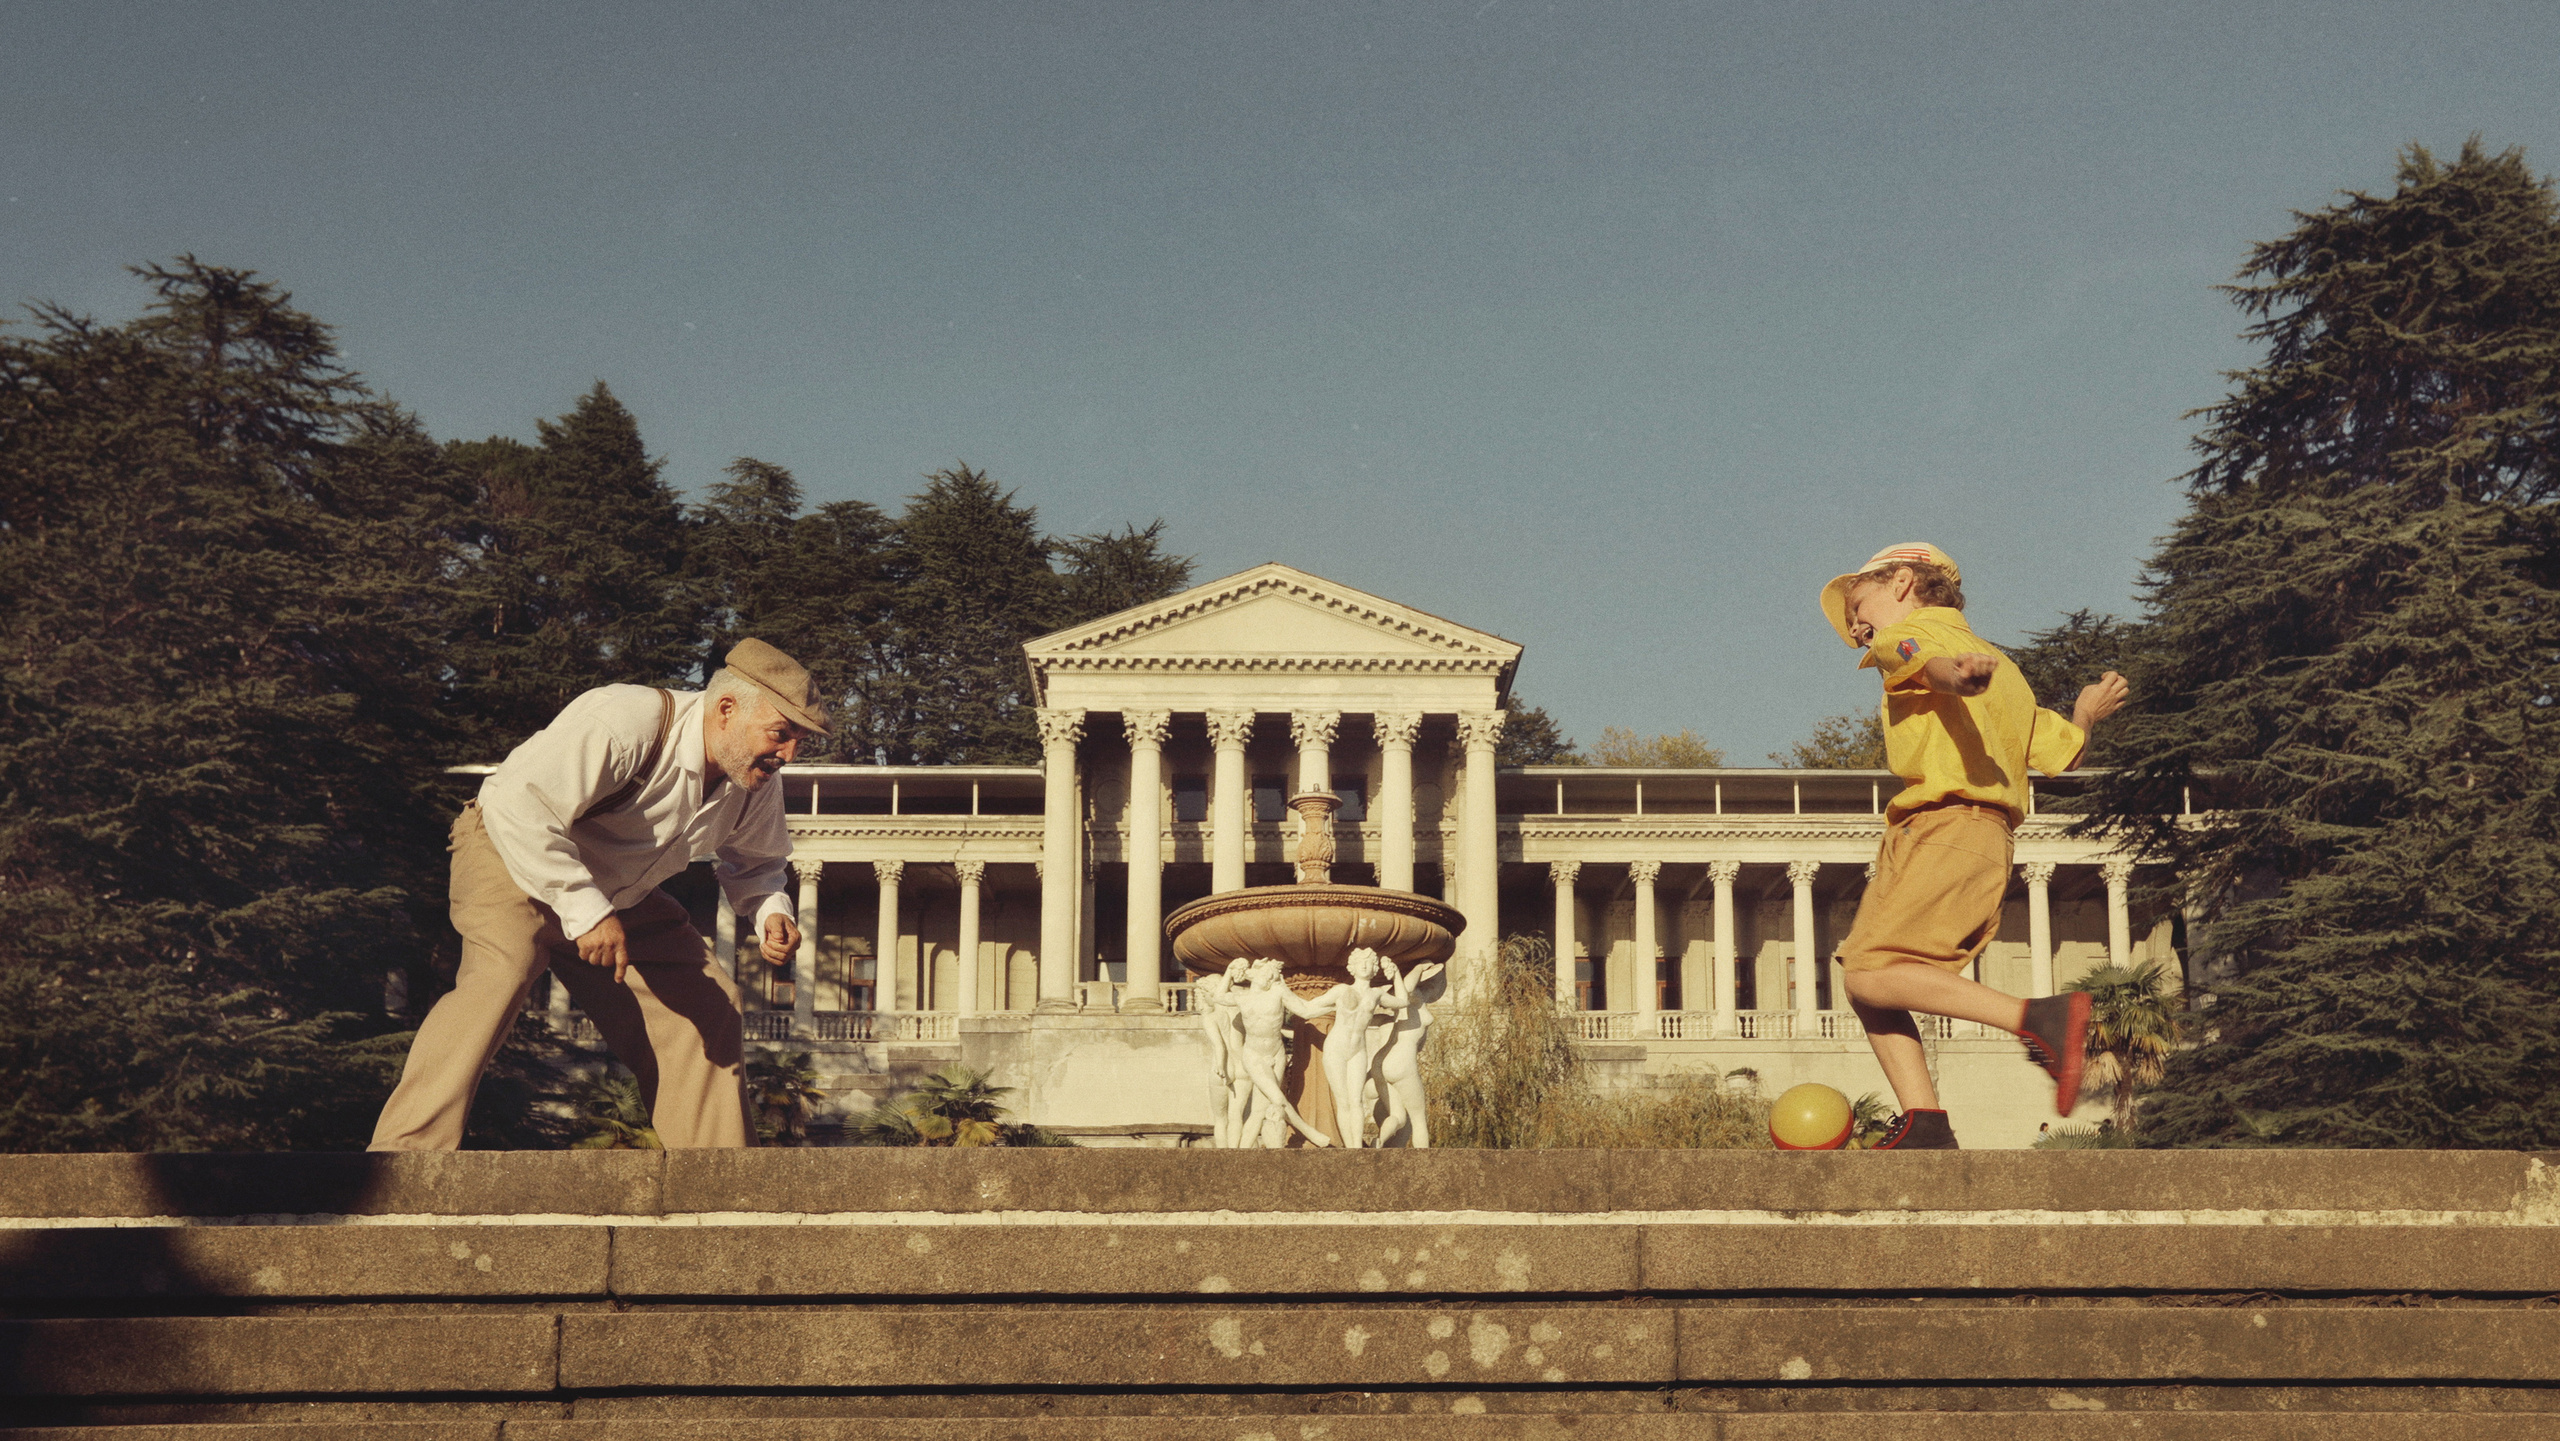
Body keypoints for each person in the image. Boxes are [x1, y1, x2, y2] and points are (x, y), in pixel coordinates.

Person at [368, 639, 827, 1151]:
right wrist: (585, 910)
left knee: (711, 1004)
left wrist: (770, 909)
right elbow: (521, 806)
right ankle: (402, 1159)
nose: (788, 754)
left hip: (616, 892)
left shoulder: (755, 778)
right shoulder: (627, 718)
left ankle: (716, 1182)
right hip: (507, 851)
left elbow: (758, 863)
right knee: (502, 973)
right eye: (780, 735)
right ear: (726, 709)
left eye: (799, 741)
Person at [1817, 544, 2129, 1151]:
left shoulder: (1913, 639)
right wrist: (2085, 713)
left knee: (1870, 974)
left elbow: (1920, 657)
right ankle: (1925, 1122)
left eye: (1858, 605)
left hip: (1944, 827)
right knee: (1875, 976)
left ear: (1903, 581)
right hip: (1984, 839)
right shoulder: (2005, 672)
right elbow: (2062, 753)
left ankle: (2041, 1018)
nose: (1856, 629)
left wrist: (1951, 677)